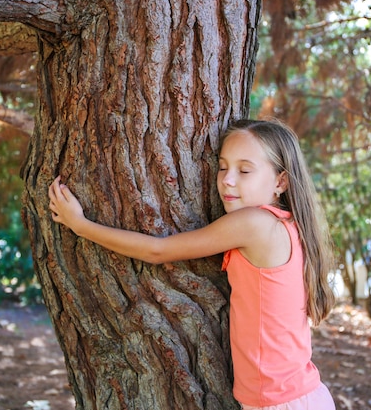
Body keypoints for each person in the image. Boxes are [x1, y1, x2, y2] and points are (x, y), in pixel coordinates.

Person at [49, 119, 336, 410]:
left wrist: (81, 225)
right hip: (301, 395)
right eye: (223, 167)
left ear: (281, 182)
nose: (228, 180)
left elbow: (157, 250)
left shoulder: (255, 223)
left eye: (244, 170)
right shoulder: (288, 225)